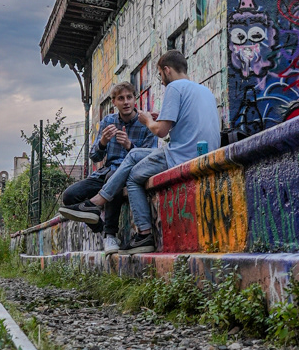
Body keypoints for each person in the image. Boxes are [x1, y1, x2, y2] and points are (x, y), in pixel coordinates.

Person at [90, 49, 221, 249]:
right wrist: (160, 116)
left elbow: (160, 131)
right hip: (205, 153)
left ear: (167, 70)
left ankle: (143, 233)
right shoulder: (204, 90)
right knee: (134, 154)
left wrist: (147, 120)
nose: (161, 80)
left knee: (133, 177)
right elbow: (188, 126)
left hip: (181, 155)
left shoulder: (174, 88)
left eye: (160, 75)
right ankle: (98, 200)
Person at [58, 82, 150, 250]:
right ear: (114, 102)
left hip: (128, 174)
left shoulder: (145, 122)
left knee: (113, 177)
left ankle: (110, 235)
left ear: (135, 99)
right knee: (70, 196)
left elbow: (151, 156)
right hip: (105, 172)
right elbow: (94, 156)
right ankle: (100, 229)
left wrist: (130, 146)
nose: (126, 102)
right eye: (121, 98)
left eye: (129, 97)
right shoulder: (108, 121)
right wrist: (102, 142)